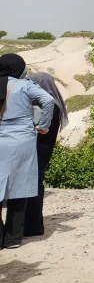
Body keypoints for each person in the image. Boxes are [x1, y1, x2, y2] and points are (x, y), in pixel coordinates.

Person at [0, 55, 54, 249]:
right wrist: (44, 125)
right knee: (19, 187)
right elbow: (48, 100)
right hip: (21, 138)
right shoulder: (24, 85)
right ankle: (13, 238)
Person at [24, 72, 66, 237]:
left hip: (38, 148)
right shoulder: (54, 104)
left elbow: (39, 129)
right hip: (43, 149)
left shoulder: (47, 106)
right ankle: (32, 225)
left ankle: (32, 226)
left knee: (33, 184)